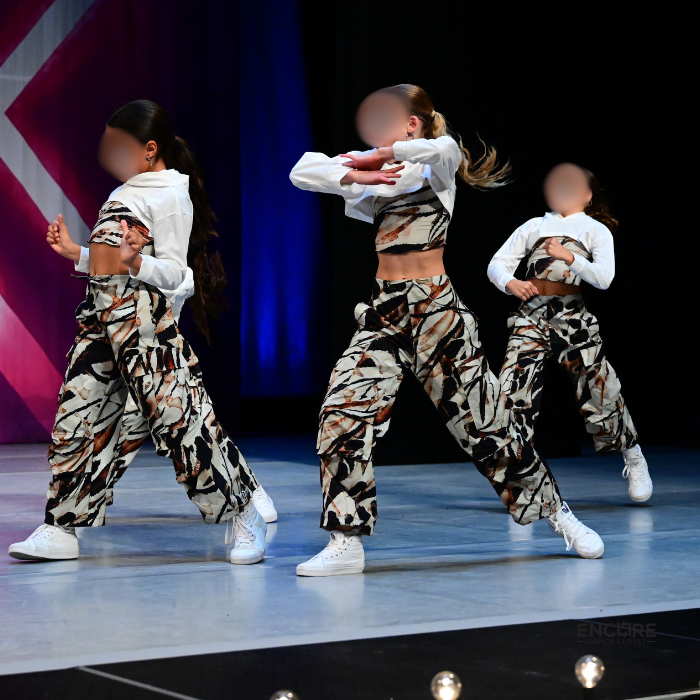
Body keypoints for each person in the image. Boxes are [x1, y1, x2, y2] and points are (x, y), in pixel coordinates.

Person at [289, 86, 604, 576]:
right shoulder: (377, 177)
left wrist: (381, 156)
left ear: (411, 124)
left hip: (437, 312)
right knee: (341, 414)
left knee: (488, 425)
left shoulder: (434, 165)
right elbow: (302, 170)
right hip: (384, 313)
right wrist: (357, 172)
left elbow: (445, 149)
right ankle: (345, 540)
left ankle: (557, 513)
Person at [8, 100, 276, 565]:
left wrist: (138, 263)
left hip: (143, 323)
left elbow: (178, 274)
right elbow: (112, 263)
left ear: (150, 149)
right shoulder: (126, 190)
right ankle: (61, 528)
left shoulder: (171, 194)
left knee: (180, 422)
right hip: (99, 318)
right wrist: (77, 253)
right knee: (76, 418)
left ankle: (243, 511)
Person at [488, 162, 652, 503]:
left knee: (599, 386)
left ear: (588, 195)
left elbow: (604, 279)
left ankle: (632, 455)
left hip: (572, 317)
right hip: (531, 316)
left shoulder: (595, 229)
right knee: (512, 392)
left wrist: (570, 257)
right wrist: (510, 282)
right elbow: (497, 264)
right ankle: (521, 479)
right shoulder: (534, 225)